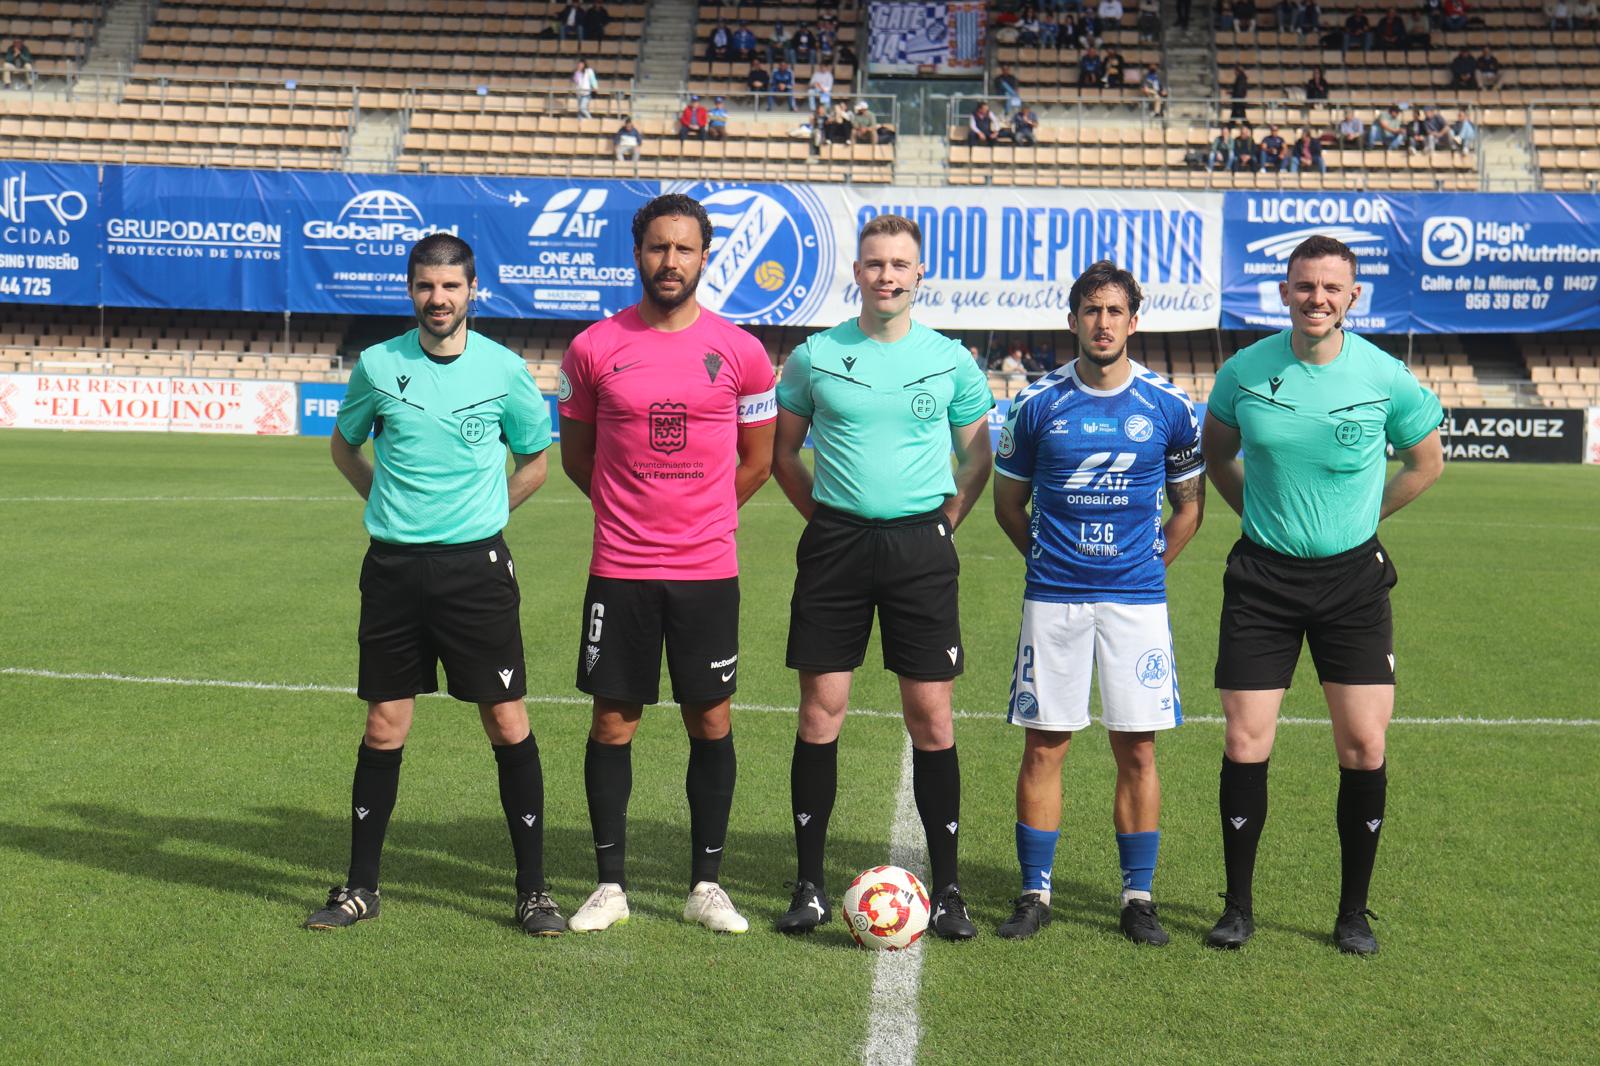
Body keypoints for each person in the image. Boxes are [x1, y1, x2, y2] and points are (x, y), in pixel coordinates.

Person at [305, 234, 561, 936]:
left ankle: (534, 892)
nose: (438, 299)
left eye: (451, 287)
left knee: (506, 720)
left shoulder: (506, 370)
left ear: (472, 289)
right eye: (426, 286)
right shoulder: (378, 364)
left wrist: (480, 517)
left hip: (473, 572)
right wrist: (382, 505)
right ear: (410, 288)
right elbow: (344, 446)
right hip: (392, 570)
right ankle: (360, 888)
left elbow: (536, 462)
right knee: (384, 724)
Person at [1199, 234, 1444, 956]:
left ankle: (1353, 914)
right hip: (1263, 580)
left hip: (1352, 583)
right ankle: (1237, 908)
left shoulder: (1385, 376)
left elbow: (1425, 463)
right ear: (1284, 292)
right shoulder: (1244, 371)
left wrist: (1364, 520)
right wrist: (1257, 517)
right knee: (1246, 741)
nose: (1318, 299)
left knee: (1364, 744)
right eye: (1305, 286)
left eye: (1332, 288)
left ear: (1352, 297)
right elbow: (1217, 454)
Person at [558, 194, 778, 935]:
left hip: (707, 568)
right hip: (619, 569)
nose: (671, 261)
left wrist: (704, 513)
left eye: (684, 249)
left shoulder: (742, 352)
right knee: (613, 722)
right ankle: (610, 884)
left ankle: (706, 885)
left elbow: (760, 460)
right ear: (638, 254)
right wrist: (632, 512)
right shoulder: (593, 347)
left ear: (705, 257)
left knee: (709, 719)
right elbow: (578, 458)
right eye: (658, 248)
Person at [771, 214, 995, 941]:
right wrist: (829, 522)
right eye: (875, 264)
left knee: (931, 717)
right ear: (857, 272)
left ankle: (952, 887)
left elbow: (976, 458)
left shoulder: (950, 360)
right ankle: (806, 883)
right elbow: (784, 455)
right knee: (820, 712)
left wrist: (940, 526)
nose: (887, 276)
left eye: (900, 264)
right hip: (836, 545)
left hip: (919, 548)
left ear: (919, 273)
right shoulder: (814, 357)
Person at [992, 260, 1204, 944]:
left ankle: (1137, 897)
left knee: (1136, 749)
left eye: (1115, 311)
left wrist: (1151, 564)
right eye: (1091, 310)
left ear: (1134, 321)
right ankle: (1035, 892)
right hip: (1054, 599)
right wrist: (1049, 557)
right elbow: (1007, 502)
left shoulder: (1169, 406)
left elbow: (1190, 506)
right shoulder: (1037, 404)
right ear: (1073, 319)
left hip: (1135, 603)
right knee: (1045, 745)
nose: (1103, 322)